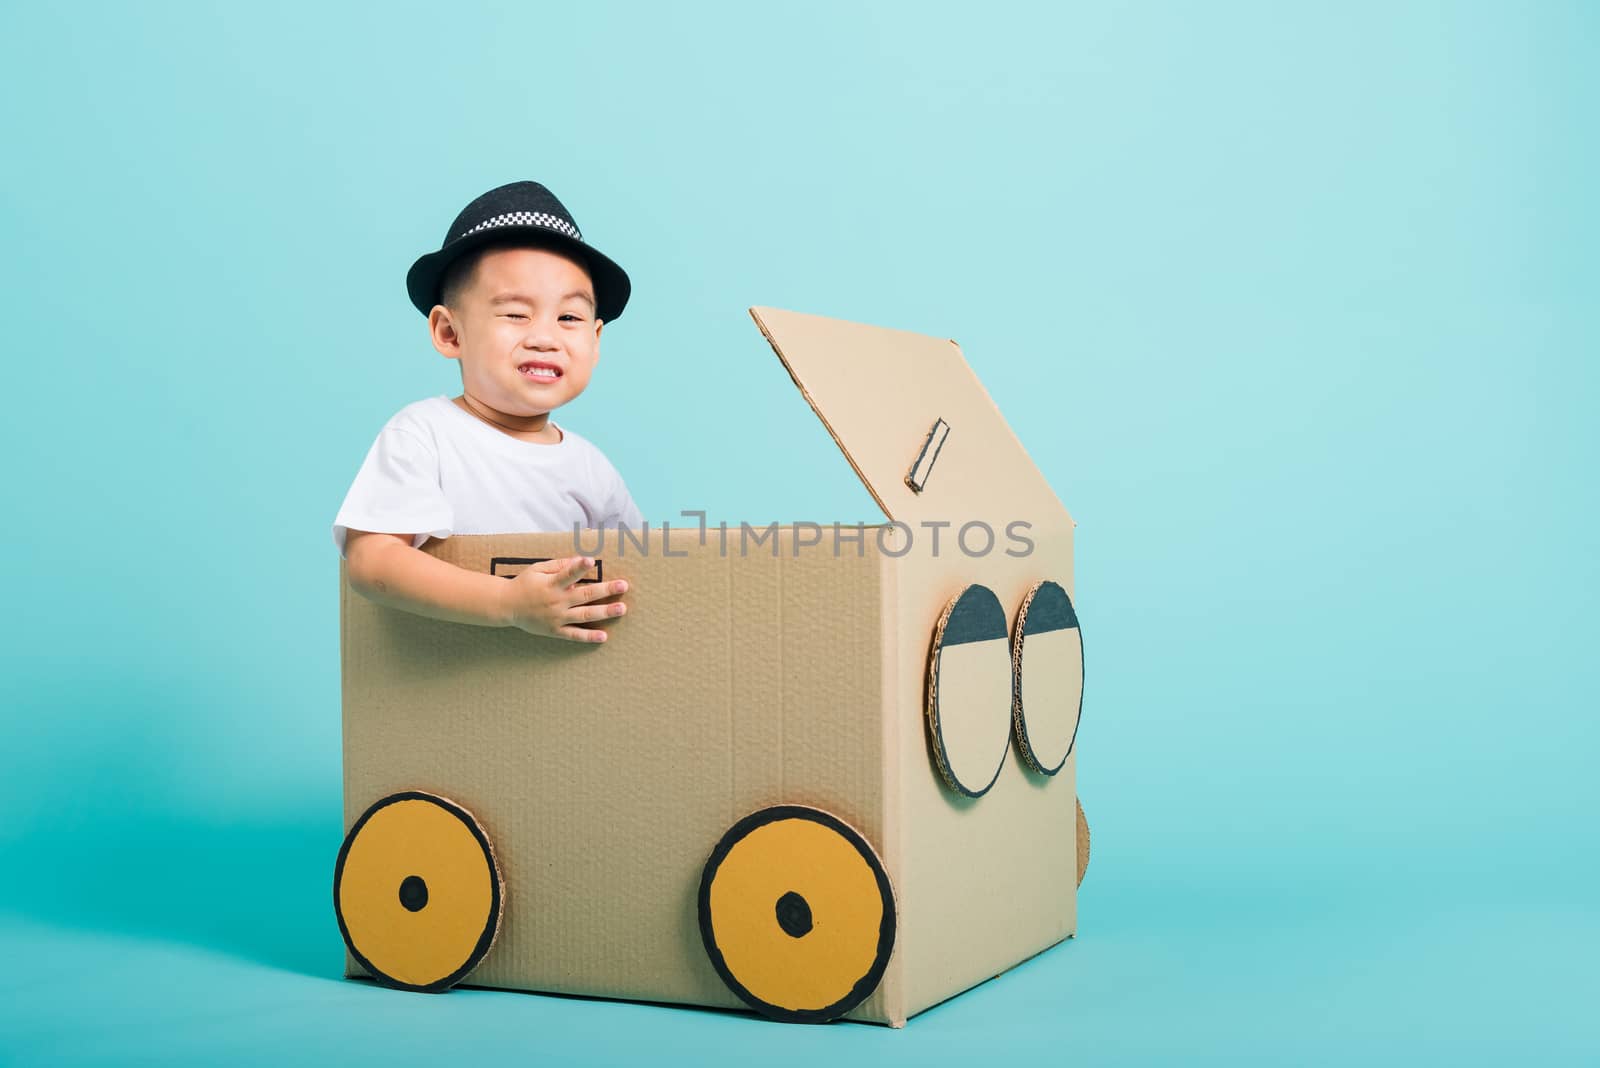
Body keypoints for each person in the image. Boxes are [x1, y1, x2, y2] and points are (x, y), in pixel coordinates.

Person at [333, 180, 640, 643]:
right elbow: (372, 561)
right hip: (450, 683)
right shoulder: (424, 435)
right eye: (516, 313)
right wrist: (508, 603)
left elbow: (643, 571)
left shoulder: (593, 470)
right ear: (449, 333)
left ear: (596, 341)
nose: (545, 337)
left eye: (570, 318)